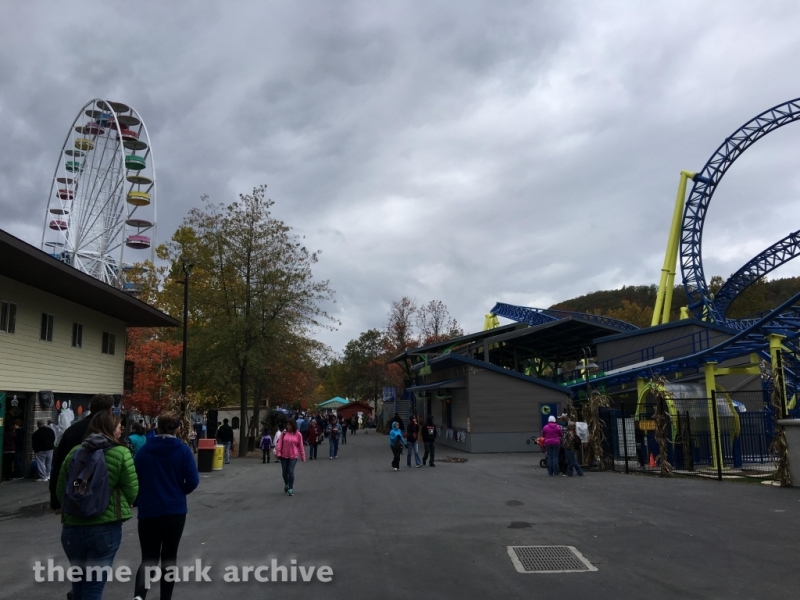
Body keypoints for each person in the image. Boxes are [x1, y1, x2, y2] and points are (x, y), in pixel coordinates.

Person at [56, 411, 138, 600]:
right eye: (118, 426)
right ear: (110, 428)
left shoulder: (75, 452)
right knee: (93, 588)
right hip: (105, 527)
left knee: (78, 585)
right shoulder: (121, 453)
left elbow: (61, 490)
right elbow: (131, 489)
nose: (121, 430)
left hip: (72, 528)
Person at [133, 411, 199, 600]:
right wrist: (180, 491)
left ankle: (139, 595)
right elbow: (193, 480)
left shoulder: (144, 451)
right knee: (169, 556)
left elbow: (135, 477)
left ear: (157, 427)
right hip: (174, 510)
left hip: (149, 509)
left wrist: (140, 497)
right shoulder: (183, 451)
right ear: (177, 428)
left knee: (149, 557)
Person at [50, 394, 115, 510]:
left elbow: (59, 464)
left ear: (90, 408)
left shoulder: (73, 430)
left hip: (76, 494)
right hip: (107, 499)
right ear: (110, 409)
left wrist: (56, 500)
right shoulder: (112, 432)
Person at [275, 419, 305, 496]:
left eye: (289, 425)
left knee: (290, 471)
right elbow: (279, 444)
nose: (288, 426)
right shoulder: (284, 433)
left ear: (293, 425)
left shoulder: (298, 434)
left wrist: (303, 456)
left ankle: (290, 488)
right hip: (284, 455)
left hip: (293, 456)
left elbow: (301, 446)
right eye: (287, 425)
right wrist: (278, 453)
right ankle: (286, 483)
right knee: (284, 472)